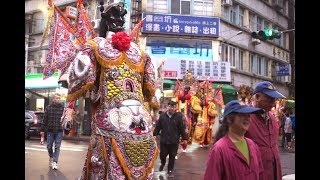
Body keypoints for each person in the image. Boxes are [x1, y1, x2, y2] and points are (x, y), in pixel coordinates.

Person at [66, 1, 159, 179]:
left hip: (134, 125)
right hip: (116, 123)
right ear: (106, 21)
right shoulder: (95, 47)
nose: (117, 21)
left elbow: (149, 91)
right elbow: (78, 79)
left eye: (120, 17)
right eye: (113, 17)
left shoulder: (139, 53)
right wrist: (68, 110)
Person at [204, 100, 264, 180]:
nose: (247, 119)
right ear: (229, 119)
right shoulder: (219, 150)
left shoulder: (253, 146)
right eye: (242, 115)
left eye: (248, 115)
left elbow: (260, 174)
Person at [245, 81, 286, 180]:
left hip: (274, 171)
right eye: (269, 98)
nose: (273, 103)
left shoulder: (272, 117)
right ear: (258, 97)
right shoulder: (245, 118)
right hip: (255, 173)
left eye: (274, 99)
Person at [153, 101, 188, 178]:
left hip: (174, 141)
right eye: (169, 106)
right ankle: (162, 163)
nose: (171, 108)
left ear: (175, 108)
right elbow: (158, 126)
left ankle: (170, 170)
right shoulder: (162, 116)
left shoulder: (178, 117)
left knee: (172, 156)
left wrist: (185, 138)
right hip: (164, 141)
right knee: (163, 155)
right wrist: (154, 134)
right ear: (167, 107)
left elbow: (182, 128)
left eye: (173, 107)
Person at [40, 93, 64, 170]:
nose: (58, 100)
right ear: (53, 99)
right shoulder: (48, 108)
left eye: (59, 98)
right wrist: (42, 129)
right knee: (49, 146)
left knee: (57, 147)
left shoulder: (62, 108)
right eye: (57, 98)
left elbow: (65, 119)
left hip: (59, 130)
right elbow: (45, 119)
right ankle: (51, 156)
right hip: (50, 130)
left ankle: (55, 162)